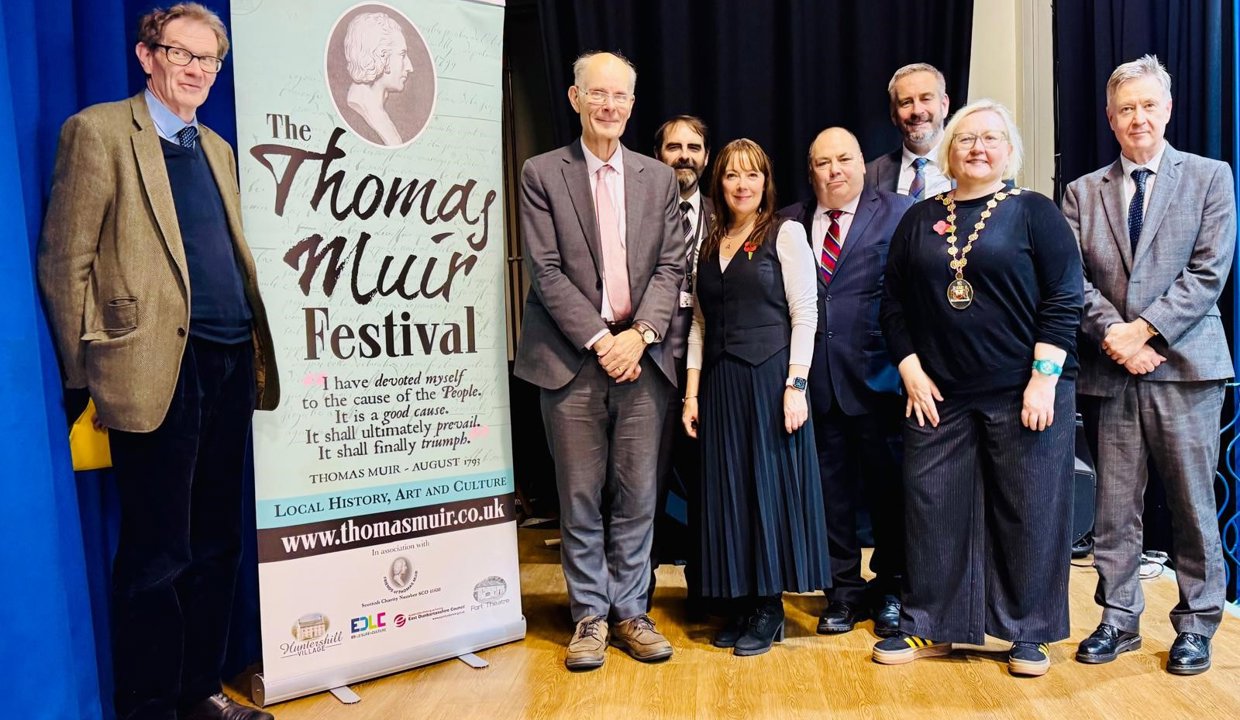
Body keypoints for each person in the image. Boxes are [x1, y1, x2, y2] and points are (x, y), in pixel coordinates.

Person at [37, 4, 279, 719]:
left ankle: (201, 693)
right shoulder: (100, 132)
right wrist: (87, 376)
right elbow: (64, 262)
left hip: (231, 361)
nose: (198, 71)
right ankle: (148, 707)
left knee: (218, 545)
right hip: (151, 374)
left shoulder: (219, 150)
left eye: (209, 61)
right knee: (156, 555)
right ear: (148, 55)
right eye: (184, 55)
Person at [875, 100, 1083, 677]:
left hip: (1022, 391)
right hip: (936, 393)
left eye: (991, 138)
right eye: (966, 138)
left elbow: (1065, 299)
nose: (977, 148)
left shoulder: (1034, 212)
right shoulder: (918, 220)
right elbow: (892, 303)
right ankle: (932, 625)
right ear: (949, 149)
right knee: (933, 509)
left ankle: (1028, 633)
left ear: (1009, 150)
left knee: (1029, 511)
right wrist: (909, 368)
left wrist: (1043, 382)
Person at [1064, 55, 1236, 676]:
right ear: (1111, 120)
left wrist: (1143, 331)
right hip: (1111, 371)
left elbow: (1209, 271)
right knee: (1113, 507)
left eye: (1148, 105)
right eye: (1126, 108)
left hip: (1186, 366)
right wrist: (1115, 334)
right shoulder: (1082, 192)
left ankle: (1196, 624)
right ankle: (1117, 619)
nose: (1138, 117)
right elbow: (1072, 282)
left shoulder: (1211, 177)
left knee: (1192, 504)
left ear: (1168, 109)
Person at [513, 51, 683, 671]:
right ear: (575, 98)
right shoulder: (541, 172)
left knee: (637, 495)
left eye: (621, 96)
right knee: (580, 495)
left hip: (643, 357)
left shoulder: (657, 178)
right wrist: (601, 340)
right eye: (598, 94)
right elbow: (546, 270)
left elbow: (670, 267)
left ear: (632, 105)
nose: (610, 106)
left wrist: (639, 334)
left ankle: (631, 611)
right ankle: (589, 614)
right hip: (571, 359)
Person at [682, 138, 830, 657]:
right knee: (731, 492)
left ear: (766, 182)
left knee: (768, 490)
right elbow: (699, 324)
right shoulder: (710, 242)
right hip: (721, 385)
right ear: (718, 183)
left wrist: (796, 385)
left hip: (769, 379)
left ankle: (769, 607)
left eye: (752, 175)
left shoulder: (784, 234)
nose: (742, 185)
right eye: (731, 176)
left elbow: (805, 314)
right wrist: (691, 394)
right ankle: (744, 601)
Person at [779, 128, 914, 637]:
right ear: (810, 170)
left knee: (889, 497)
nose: (834, 170)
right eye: (822, 162)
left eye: (844, 159)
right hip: (816, 384)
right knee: (829, 497)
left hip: (880, 381)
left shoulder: (901, 212)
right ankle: (841, 593)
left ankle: (892, 591)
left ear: (864, 164)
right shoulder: (789, 222)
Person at [651, 114, 714, 611]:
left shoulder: (728, 215)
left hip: (708, 369)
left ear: (707, 157)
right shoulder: (639, 212)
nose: (684, 156)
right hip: (648, 362)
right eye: (674, 147)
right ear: (659, 155)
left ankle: (706, 586)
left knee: (706, 481)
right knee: (643, 479)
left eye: (694, 147)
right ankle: (637, 588)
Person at [866, 63, 952, 200]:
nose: (917, 111)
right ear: (893, 114)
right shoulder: (869, 176)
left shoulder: (972, 166)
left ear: (944, 105)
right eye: (906, 102)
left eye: (926, 99)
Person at [342, 11, 414, 146]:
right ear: (382, 57)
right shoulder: (359, 105)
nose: (410, 67)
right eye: (402, 55)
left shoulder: (378, 110)